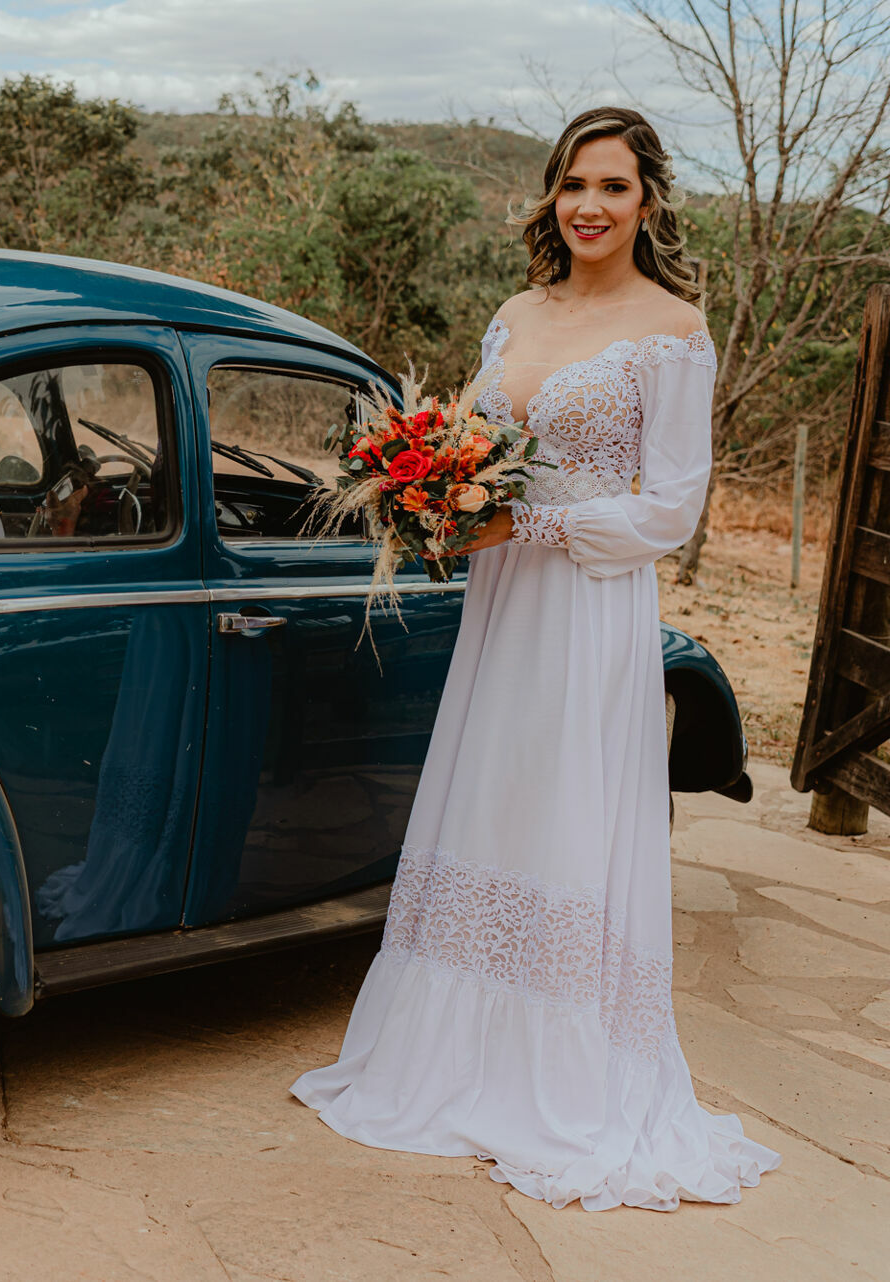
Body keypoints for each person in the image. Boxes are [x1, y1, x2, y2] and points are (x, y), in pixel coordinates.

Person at [290, 106, 781, 1211]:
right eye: (572, 184)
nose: (588, 206)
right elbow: (477, 448)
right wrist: (432, 497)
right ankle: (453, 1059)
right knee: (495, 795)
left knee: (565, 806)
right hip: (502, 603)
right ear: (551, 195)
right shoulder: (515, 315)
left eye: (612, 186)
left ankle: (560, 1076)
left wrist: (535, 525)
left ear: (647, 201)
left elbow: (672, 508)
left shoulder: (674, 332)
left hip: (590, 605)